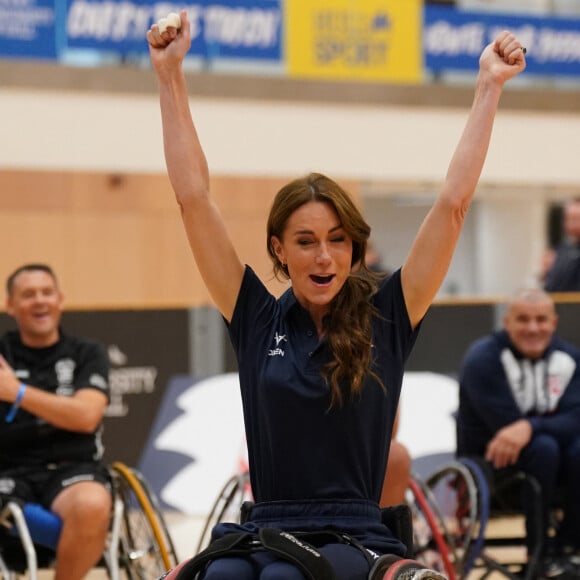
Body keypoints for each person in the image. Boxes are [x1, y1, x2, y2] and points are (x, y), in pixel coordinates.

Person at [147, 12, 526, 580]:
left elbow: (452, 206)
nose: (324, 257)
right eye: (306, 242)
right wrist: (169, 75)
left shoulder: (390, 315)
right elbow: (193, 200)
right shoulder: (253, 316)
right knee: (220, 576)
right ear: (279, 249)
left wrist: (488, 86)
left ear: (354, 247)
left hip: (352, 531)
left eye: (337, 240)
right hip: (265, 526)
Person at [456, 288, 580, 578]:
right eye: (523, 319)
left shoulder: (570, 359)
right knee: (545, 447)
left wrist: (530, 426)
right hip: (492, 466)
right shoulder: (483, 359)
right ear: (507, 322)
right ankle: (540, 554)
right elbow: (505, 429)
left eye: (541, 319)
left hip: (556, 465)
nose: (533, 328)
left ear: (554, 322)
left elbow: (576, 418)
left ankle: (568, 548)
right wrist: (538, 429)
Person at [0, 264, 111, 580]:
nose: (39, 300)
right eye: (28, 294)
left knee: (92, 503)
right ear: (11, 305)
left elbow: (86, 416)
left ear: (60, 299)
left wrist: (16, 392)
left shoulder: (86, 353)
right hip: (7, 471)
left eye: (46, 292)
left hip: (70, 471)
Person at [543, 198, 580, 292]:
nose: (571, 223)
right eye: (568, 218)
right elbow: (551, 286)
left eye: (575, 218)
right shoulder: (562, 249)